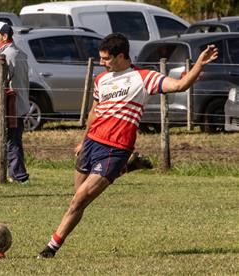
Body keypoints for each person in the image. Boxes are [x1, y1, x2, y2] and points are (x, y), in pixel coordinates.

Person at [37, 33, 218, 258]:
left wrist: (199, 64)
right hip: (92, 143)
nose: (101, 63)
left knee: (78, 200)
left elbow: (180, 85)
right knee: (78, 201)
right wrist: (83, 141)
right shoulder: (101, 80)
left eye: (106, 59)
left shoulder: (143, 78)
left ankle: (50, 250)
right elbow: (95, 110)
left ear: (121, 56)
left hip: (116, 148)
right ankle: (127, 168)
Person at [0, 22, 30, 185]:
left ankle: (19, 176)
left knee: (12, 141)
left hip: (11, 105)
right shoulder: (20, 53)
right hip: (21, 103)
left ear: (4, 37)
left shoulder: (6, 55)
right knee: (14, 140)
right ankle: (17, 174)